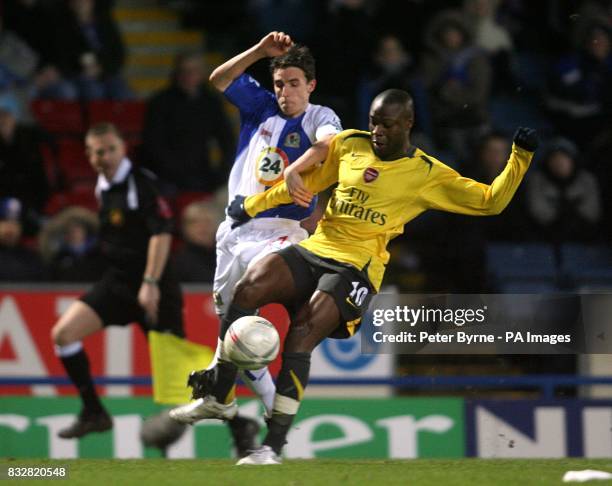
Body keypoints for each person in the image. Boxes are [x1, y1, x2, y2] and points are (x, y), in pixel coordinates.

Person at [170, 89, 538, 464]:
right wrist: (251, 205)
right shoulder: (349, 145)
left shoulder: (427, 173)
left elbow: (491, 201)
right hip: (318, 248)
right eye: (373, 121)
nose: (377, 130)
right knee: (248, 287)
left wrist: (519, 158)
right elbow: (305, 185)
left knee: (301, 334)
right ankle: (219, 395)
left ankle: (272, 447)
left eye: (387, 124)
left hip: (356, 267)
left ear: (408, 124)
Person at [176, 31, 342, 425]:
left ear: (311, 85)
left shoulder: (321, 116)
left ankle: (235, 396)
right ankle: (233, 399)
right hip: (233, 230)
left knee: (246, 305)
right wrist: (260, 52)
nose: (286, 91)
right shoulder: (260, 109)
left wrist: (295, 169)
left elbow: (328, 147)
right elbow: (218, 79)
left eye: (295, 83)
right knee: (232, 322)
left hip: (281, 229)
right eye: (280, 83)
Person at [141, 51, 235, 194]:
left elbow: (227, 139)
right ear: (176, 73)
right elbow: (154, 144)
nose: (189, 76)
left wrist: (223, 171)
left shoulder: (211, 102)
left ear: (202, 73)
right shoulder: (160, 102)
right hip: (166, 176)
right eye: (184, 71)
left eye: (194, 71)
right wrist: (175, 172)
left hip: (203, 173)